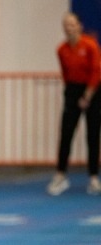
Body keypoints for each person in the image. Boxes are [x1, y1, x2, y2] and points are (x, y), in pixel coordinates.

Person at [48, 12, 101, 196]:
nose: (69, 28)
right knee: (66, 134)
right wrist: (72, 94)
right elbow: (65, 72)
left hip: (92, 90)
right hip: (72, 91)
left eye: (72, 24)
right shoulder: (61, 49)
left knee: (92, 135)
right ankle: (60, 175)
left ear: (79, 26)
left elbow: (96, 71)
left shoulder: (90, 45)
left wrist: (87, 96)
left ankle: (94, 177)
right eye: (65, 25)